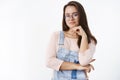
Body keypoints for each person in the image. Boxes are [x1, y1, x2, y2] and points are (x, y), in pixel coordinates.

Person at [46, 1, 97, 80]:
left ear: (81, 16)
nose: (71, 18)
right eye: (67, 15)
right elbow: (49, 62)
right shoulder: (56, 36)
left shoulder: (90, 41)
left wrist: (84, 36)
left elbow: (83, 62)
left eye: (75, 14)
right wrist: (77, 66)